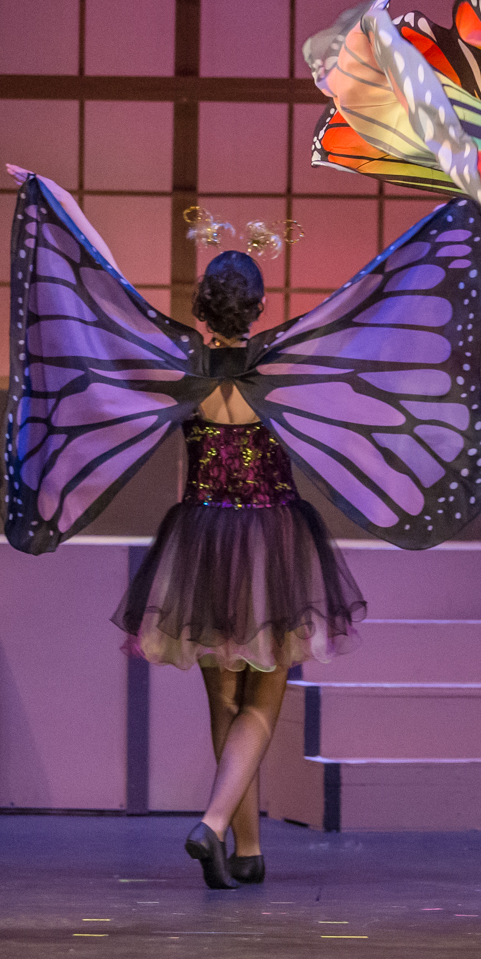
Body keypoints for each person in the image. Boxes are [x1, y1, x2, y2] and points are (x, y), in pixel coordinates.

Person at [113, 251, 364, 889]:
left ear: (201, 309)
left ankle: (247, 850)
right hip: (272, 541)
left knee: (223, 700)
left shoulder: (187, 376)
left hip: (201, 541)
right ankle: (215, 823)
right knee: (263, 701)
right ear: (259, 308)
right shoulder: (276, 373)